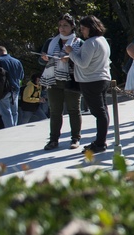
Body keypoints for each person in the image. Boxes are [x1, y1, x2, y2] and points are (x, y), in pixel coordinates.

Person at [66, 16, 111, 154]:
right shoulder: (102, 40)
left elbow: (83, 63)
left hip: (91, 81)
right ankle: (101, 140)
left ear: (91, 28)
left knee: (99, 113)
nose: (82, 31)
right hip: (102, 79)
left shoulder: (90, 43)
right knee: (103, 111)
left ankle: (100, 143)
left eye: (84, 28)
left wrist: (70, 52)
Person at [40, 14, 83, 150]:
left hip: (72, 80)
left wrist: (69, 59)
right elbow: (40, 60)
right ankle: (53, 140)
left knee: (73, 109)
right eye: (60, 25)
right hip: (53, 80)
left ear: (72, 27)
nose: (62, 28)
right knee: (55, 111)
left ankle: (75, 138)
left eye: (65, 25)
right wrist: (44, 58)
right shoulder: (51, 42)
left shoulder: (78, 42)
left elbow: (83, 62)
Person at [0, 46, 24, 128]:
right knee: (15, 112)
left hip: (2, 90)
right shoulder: (17, 61)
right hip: (15, 89)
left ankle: (9, 130)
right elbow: (21, 76)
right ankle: (14, 128)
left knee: (5, 112)